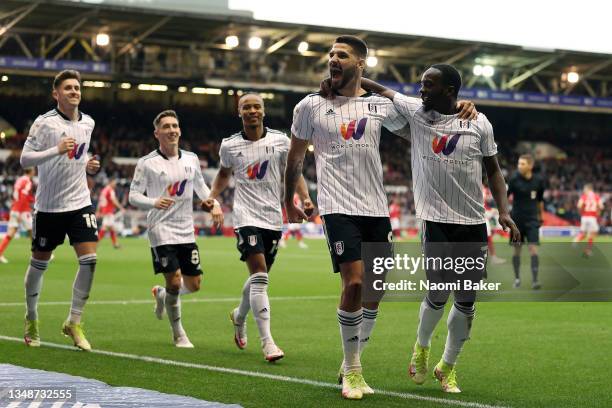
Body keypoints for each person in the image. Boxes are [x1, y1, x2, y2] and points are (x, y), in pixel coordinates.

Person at [285, 35, 478, 400]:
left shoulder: (379, 108)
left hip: (376, 208)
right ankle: (354, 372)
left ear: (360, 64)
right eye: (330, 55)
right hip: (337, 205)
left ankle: (350, 361)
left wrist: (462, 107)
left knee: (374, 292)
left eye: (341, 55)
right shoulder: (309, 106)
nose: (332, 59)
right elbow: (295, 159)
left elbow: (429, 124)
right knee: (355, 284)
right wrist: (289, 200)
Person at [349, 64, 520, 394]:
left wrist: (504, 212)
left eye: (428, 85)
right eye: (421, 83)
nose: (421, 89)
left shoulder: (478, 122)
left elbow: (494, 171)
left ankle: (448, 366)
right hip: (434, 219)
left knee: (467, 299)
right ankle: (422, 346)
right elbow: (379, 88)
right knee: (439, 292)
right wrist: (344, 79)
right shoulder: (416, 111)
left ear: (450, 92)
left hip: (472, 222)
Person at [205, 93, 313, 362]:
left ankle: (239, 316)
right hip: (245, 217)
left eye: (256, 107)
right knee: (261, 277)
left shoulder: (280, 141)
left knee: (258, 279)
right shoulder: (229, 145)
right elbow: (223, 174)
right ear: (239, 112)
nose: (252, 111)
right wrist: (212, 195)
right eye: (246, 107)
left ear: (263, 112)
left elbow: (295, 169)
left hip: (273, 218)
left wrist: (306, 197)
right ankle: (268, 343)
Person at [19, 69, 101, 351]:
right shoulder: (44, 124)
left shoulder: (88, 122)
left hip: (79, 202)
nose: (74, 92)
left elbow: (78, 153)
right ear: (56, 94)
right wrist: (54, 150)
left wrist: (88, 163)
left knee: (89, 260)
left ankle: (74, 322)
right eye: (68, 88)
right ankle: (31, 317)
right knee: (39, 264)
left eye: (77, 88)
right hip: (49, 207)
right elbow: (24, 158)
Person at [129, 110, 222, 348]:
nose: (172, 130)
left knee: (194, 285)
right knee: (175, 280)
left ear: (179, 130)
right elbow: (133, 196)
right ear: (157, 133)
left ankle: (162, 295)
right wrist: (153, 202)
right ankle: (179, 333)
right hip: (160, 228)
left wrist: (214, 205)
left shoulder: (191, 159)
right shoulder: (147, 163)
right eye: (166, 126)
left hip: (185, 229)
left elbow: (202, 188)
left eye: (175, 126)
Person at [507, 154, 546, 289]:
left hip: (532, 220)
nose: (519, 166)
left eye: (522, 164)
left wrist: (541, 216)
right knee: (517, 251)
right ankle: (517, 279)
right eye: (519, 163)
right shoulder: (513, 180)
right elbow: (504, 197)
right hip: (516, 221)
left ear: (530, 165)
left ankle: (535, 281)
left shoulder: (539, 181)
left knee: (533, 249)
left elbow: (540, 200)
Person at [0, 168, 35, 263]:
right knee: (33, 231)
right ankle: (39, 254)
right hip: (22, 210)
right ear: (31, 171)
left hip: (15, 208)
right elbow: (23, 197)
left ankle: (0, 253)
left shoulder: (19, 180)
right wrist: (20, 212)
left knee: (11, 233)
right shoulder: (28, 181)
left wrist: (31, 199)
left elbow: (17, 195)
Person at [573, 184, 603, 257]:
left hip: (584, 217)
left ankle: (576, 240)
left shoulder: (584, 196)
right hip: (592, 217)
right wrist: (598, 211)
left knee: (583, 233)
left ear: (588, 189)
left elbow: (579, 205)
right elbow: (601, 206)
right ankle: (588, 250)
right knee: (592, 234)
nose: (584, 190)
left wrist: (582, 211)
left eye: (584, 189)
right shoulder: (596, 196)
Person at [97, 178, 124, 249]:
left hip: (105, 211)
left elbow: (100, 202)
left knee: (111, 228)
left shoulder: (104, 190)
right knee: (105, 227)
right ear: (110, 182)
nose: (115, 184)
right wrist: (121, 207)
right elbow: (113, 200)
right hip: (108, 211)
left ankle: (115, 244)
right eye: (114, 182)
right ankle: (96, 242)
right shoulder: (110, 190)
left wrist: (99, 211)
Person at [483, 184, 507, 265]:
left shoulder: (481, 187)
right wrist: (491, 211)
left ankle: (493, 257)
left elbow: (484, 203)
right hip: (479, 215)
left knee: (488, 236)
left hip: (482, 215)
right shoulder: (478, 187)